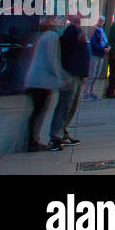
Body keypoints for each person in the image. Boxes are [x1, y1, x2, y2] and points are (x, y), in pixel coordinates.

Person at [23, 16, 65, 152]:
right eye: (58, 20)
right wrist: (61, 77)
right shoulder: (52, 36)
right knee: (39, 111)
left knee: (37, 111)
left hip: (36, 80)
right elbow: (52, 60)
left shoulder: (45, 36)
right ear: (52, 22)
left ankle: (32, 140)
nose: (61, 22)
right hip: (41, 81)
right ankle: (32, 141)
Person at [49, 12, 90, 151]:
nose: (82, 15)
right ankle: (55, 137)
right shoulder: (72, 30)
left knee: (72, 105)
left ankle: (62, 132)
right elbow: (79, 43)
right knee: (65, 105)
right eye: (78, 14)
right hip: (71, 75)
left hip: (78, 75)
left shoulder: (76, 30)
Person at [85, 16, 109, 101]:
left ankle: (93, 92)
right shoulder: (94, 30)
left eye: (103, 21)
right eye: (100, 20)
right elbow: (93, 44)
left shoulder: (101, 31)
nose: (101, 22)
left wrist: (106, 47)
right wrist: (103, 49)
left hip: (101, 54)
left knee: (97, 75)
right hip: (95, 54)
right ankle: (86, 93)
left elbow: (104, 41)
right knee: (91, 74)